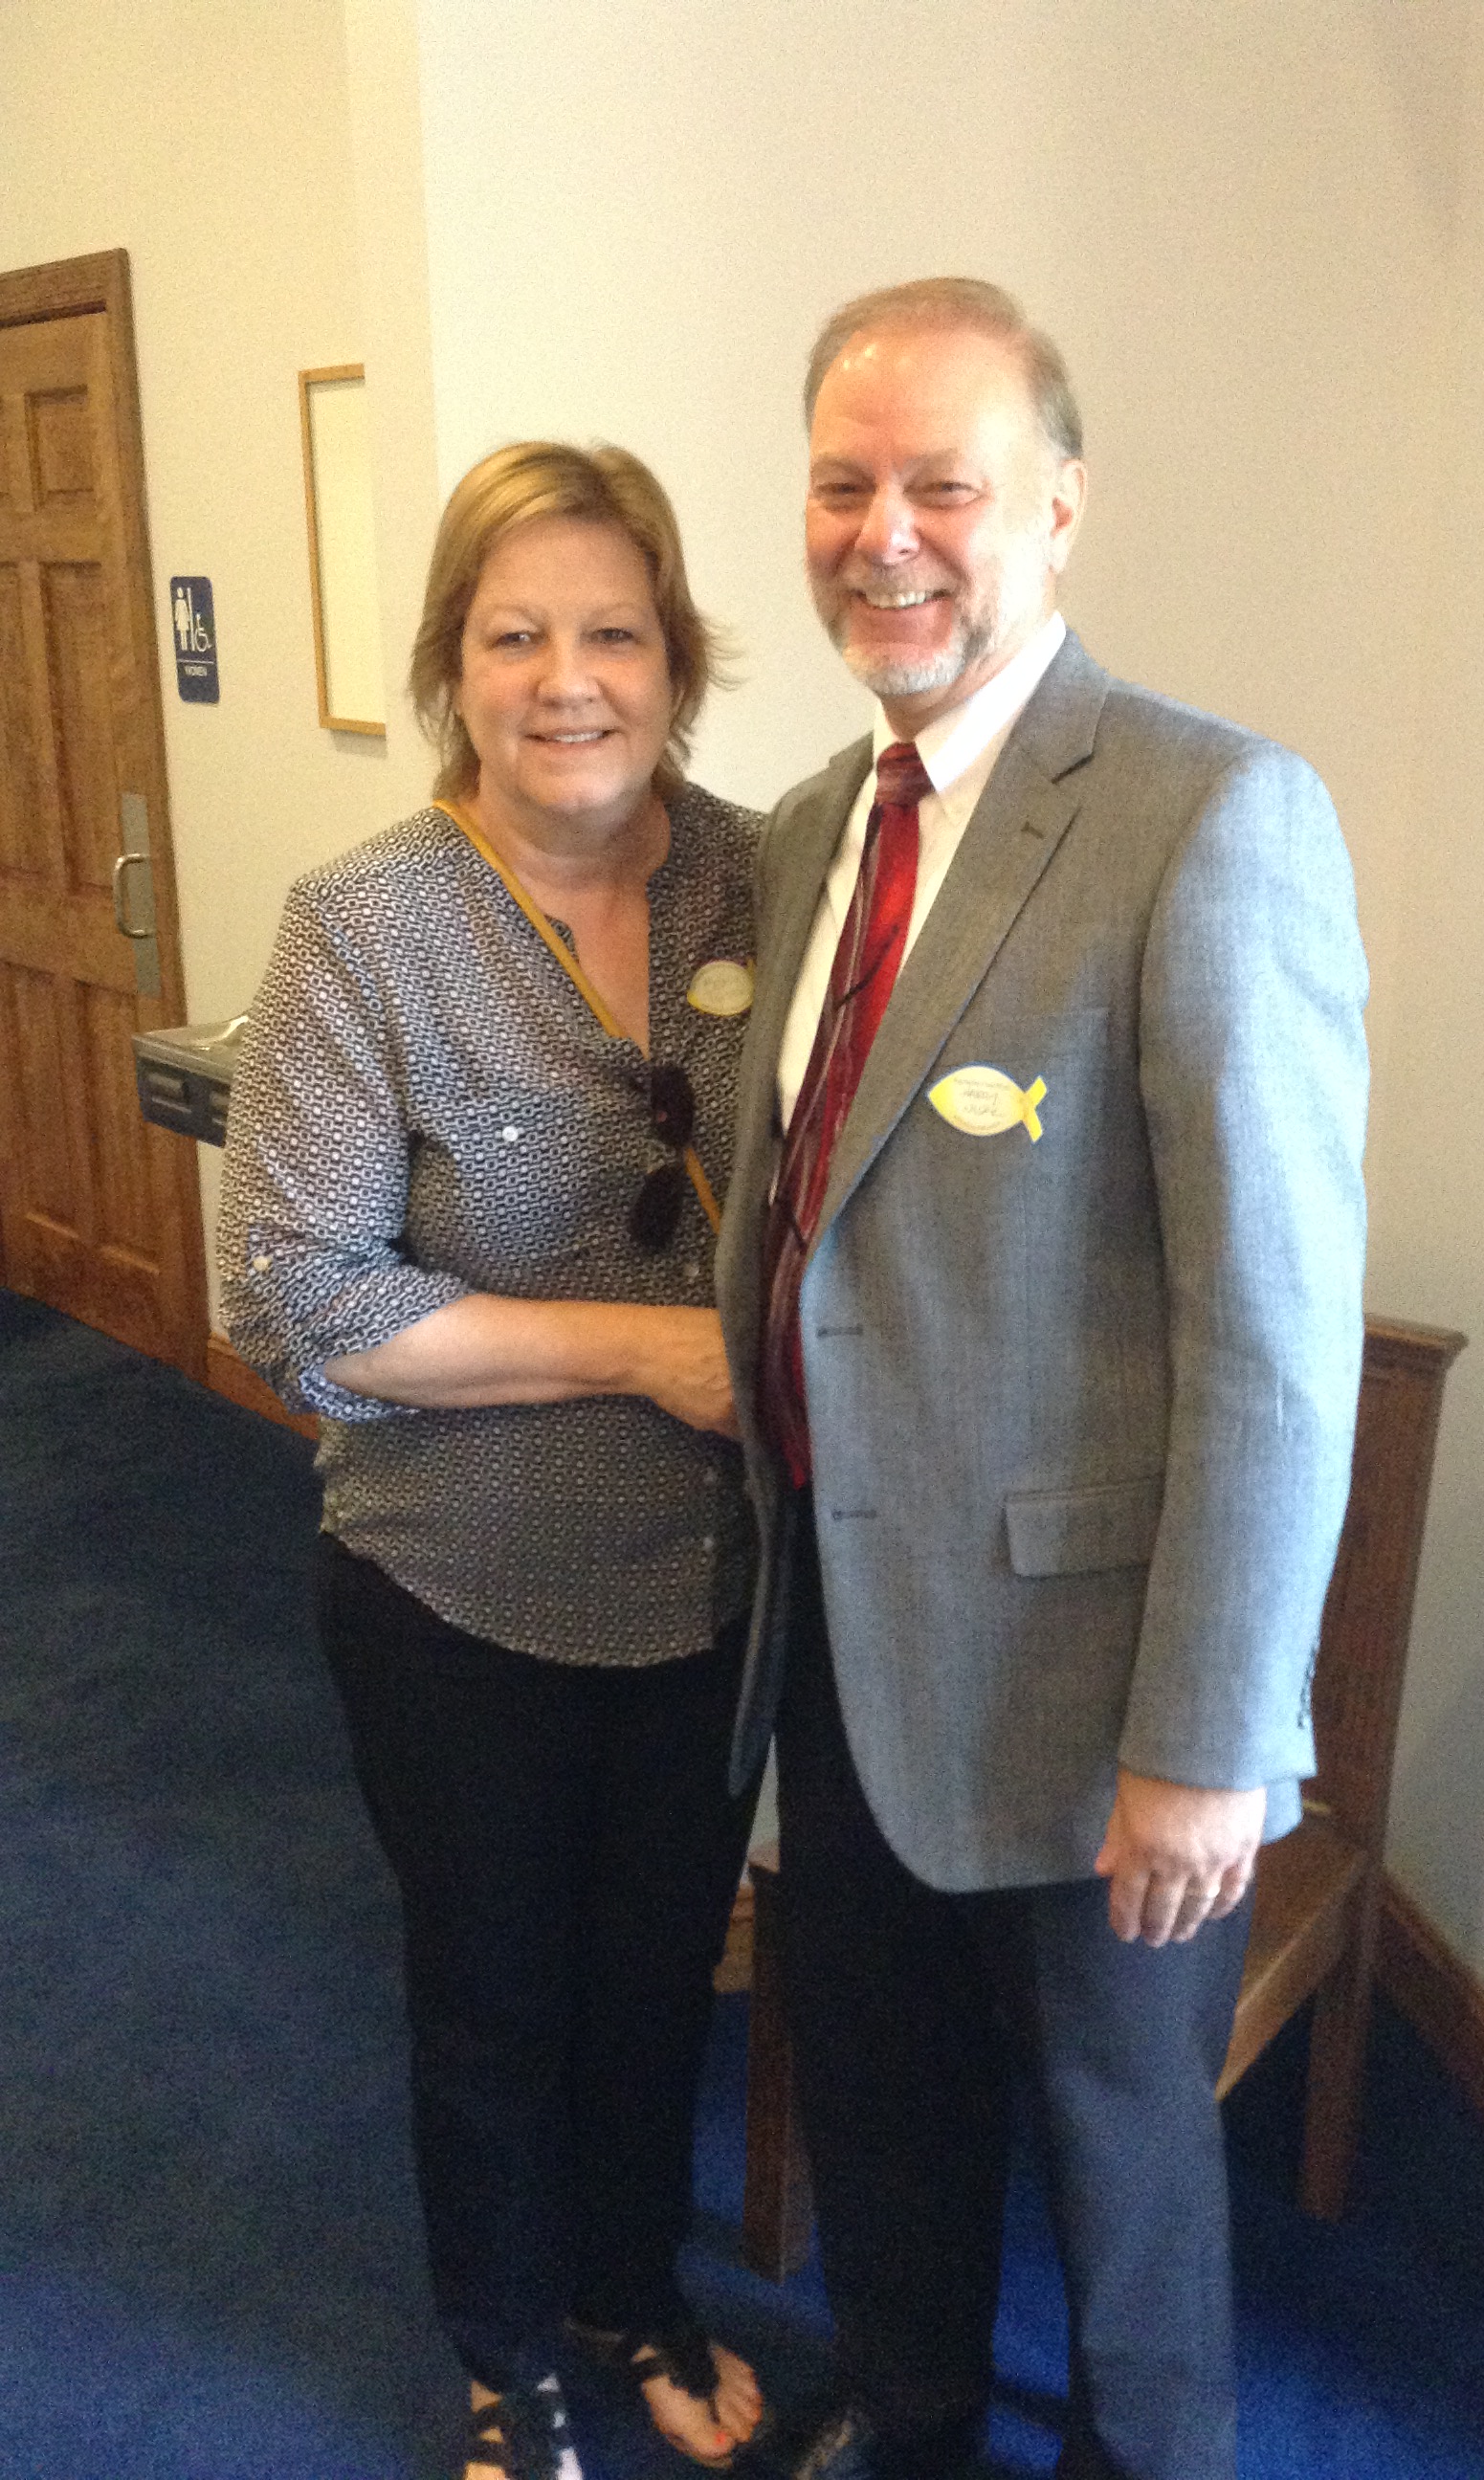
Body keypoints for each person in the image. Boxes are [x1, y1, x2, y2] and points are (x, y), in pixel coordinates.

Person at [713, 281, 1369, 2480]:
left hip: (1099, 1691)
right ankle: (907, 2421)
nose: (882, 534)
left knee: (1120, 2176)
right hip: (840, 1626)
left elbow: (1272, 1339)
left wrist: (1207, 1741)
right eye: (841, 484)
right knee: (879, 2096)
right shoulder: (812, 824)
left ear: (1058, 509)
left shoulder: (1208, 814)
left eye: (943, 485)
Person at [220, 441, 767, 2480]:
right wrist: (645, 1350)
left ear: (675, 657)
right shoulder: (363, 927)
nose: (567, 680)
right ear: (452, 664)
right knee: (493, 2001)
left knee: (656, 1986)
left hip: (712, 1591)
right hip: (454, 1598)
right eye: (514, 633)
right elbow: (291, 1296)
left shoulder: (763, 880)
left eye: (611, 632)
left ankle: (632, 2290)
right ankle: (507, 2352)